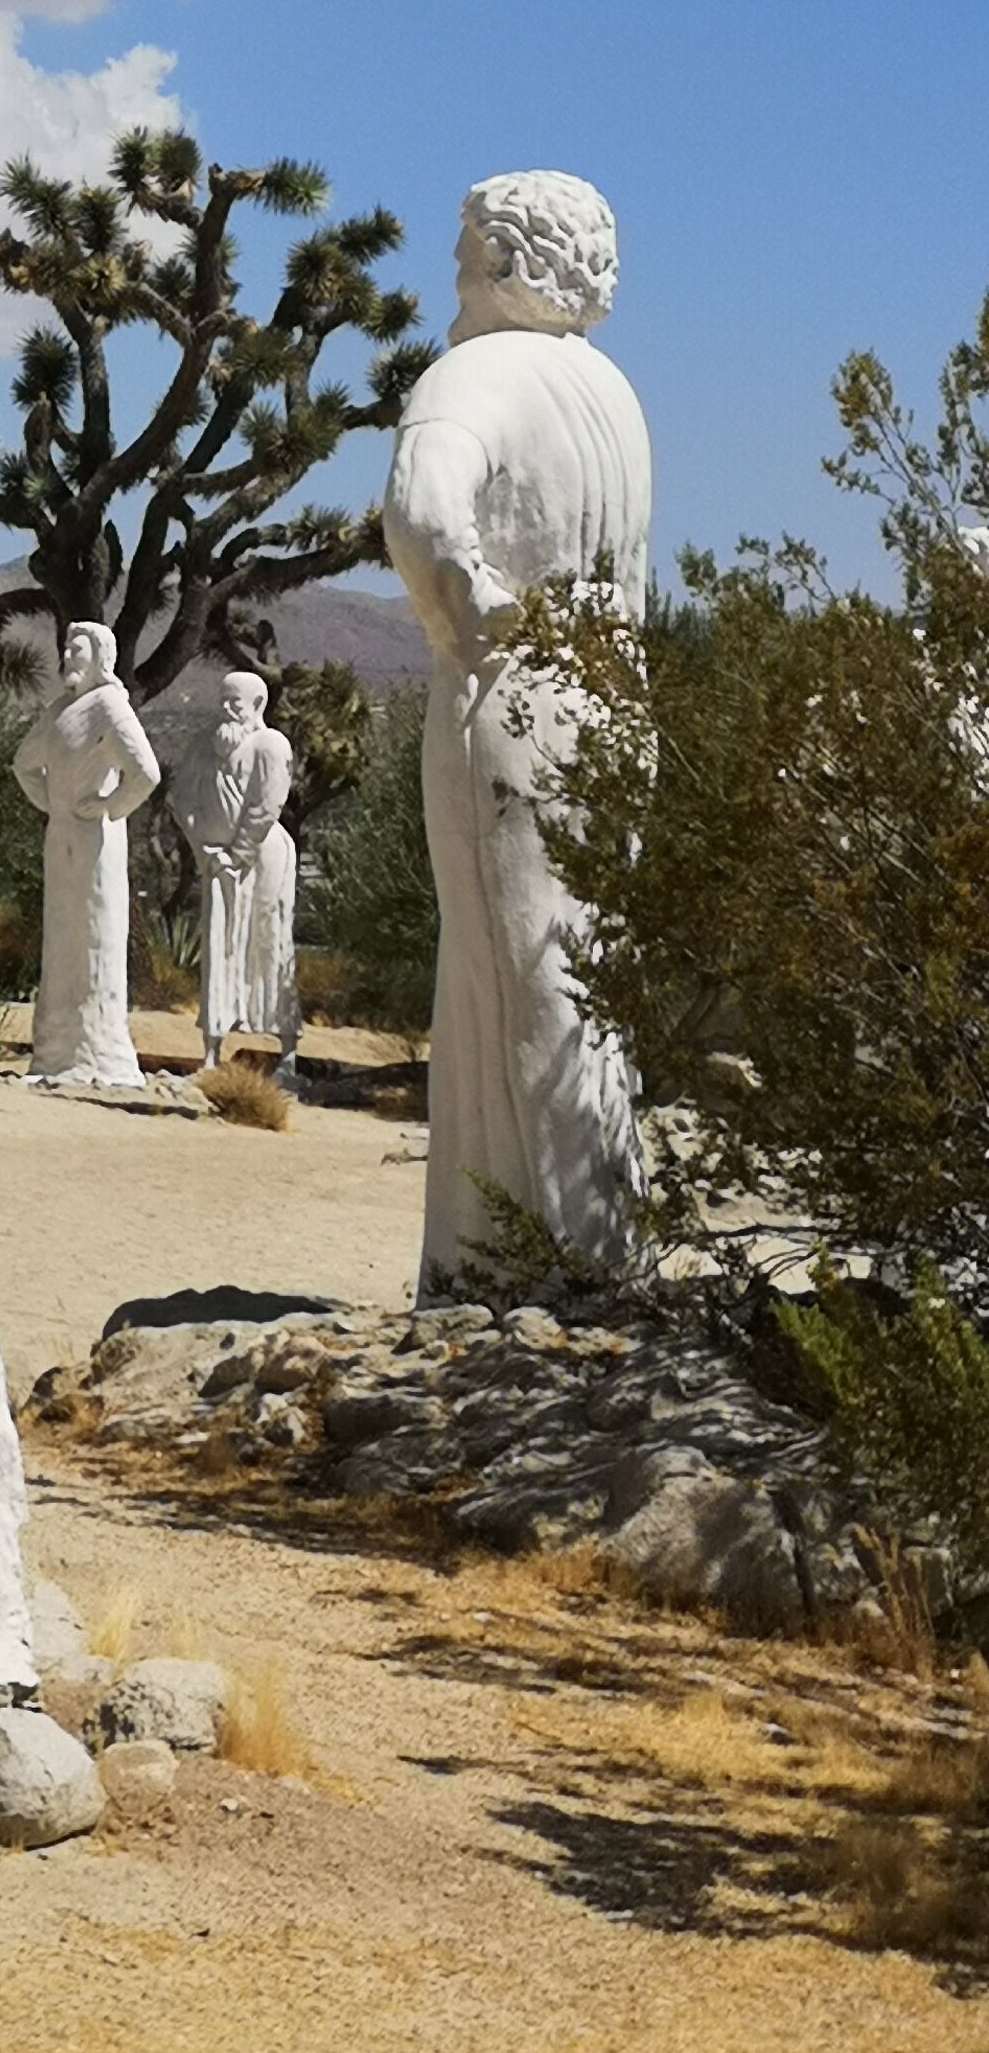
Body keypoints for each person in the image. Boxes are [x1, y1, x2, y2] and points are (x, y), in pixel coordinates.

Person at [383, 170, 651, 1287]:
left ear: (504, 261)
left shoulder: (475, 371)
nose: (454, 274)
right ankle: (580, 1248)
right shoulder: (615, 396)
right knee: (593, 983)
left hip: (516, 703)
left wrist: (466, 602)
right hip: (618, 712)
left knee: (518, 974)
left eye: (465, 252)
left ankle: (540, 1266)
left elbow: (420, 503)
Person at [11, 626, 161, 1089]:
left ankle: (99, 1051)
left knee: (96, 937)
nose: (67, 654)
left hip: (97, 839)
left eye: (76, 648)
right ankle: (55, 1053)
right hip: (62, 835)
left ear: (99, 656)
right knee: (62, 941)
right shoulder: (59, 710)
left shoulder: (108, 706)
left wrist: (109, 807)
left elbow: (146, 773)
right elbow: (23, 763)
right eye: (66, 647)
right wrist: (53, 805)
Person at [169, 669, 296, 1067]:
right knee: (218, 946)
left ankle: (287, 1051)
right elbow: (180, 798)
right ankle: (212, 1050)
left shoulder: (270, 745)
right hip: (216, 864)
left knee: (269, 941)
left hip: (260, 859)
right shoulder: (201, 747)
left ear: (257, 705)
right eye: (221, 700)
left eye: (234, 702)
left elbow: (266, 804)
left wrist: (237, 853)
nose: (225, 709)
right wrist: (204, 851)